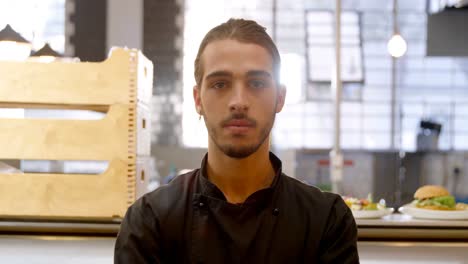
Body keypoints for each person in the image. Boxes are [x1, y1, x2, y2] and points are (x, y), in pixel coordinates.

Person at [114, 18, 359, 263]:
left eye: (257, 83)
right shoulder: (149, 221)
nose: (239, 101)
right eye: (220, 84)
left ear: (280, 97)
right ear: (198, 99)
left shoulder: (326, 221)